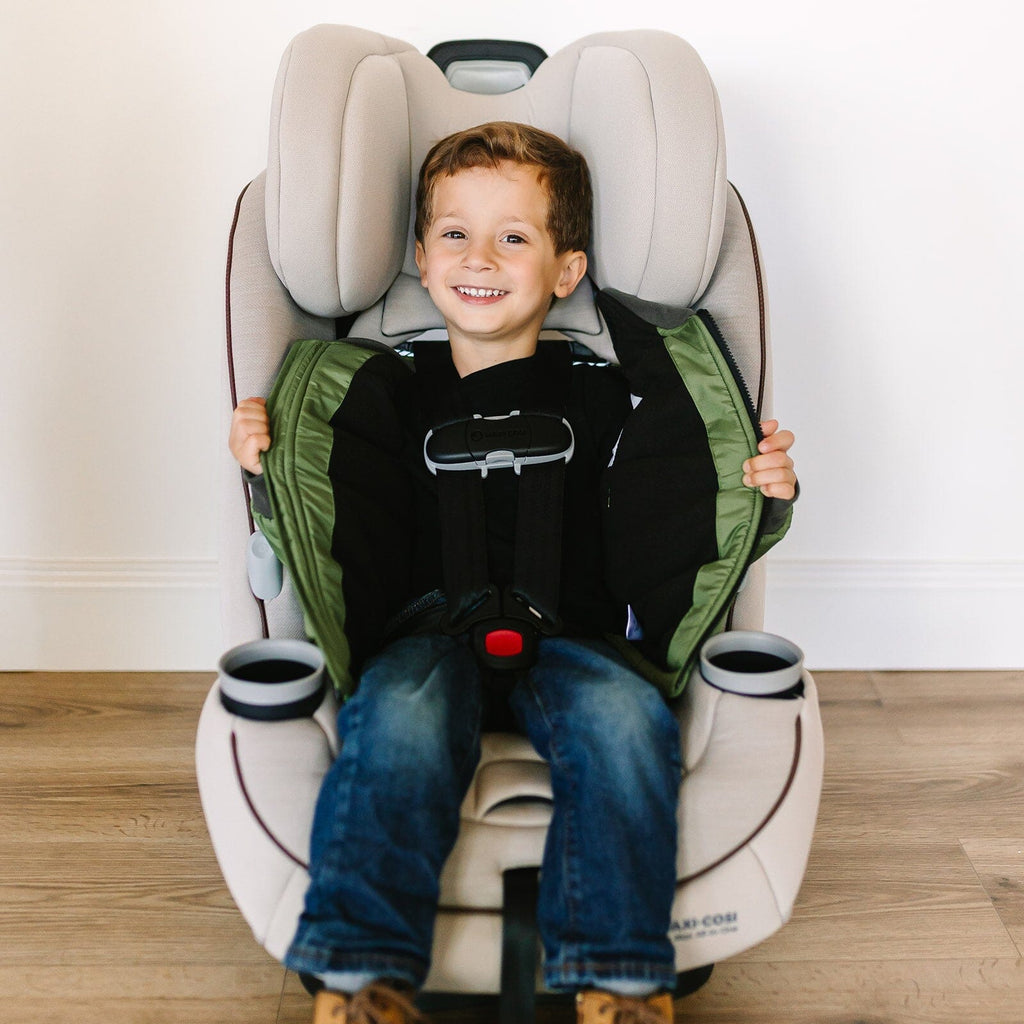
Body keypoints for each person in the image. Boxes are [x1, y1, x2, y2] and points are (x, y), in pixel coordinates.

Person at [229, 122, 797, 1024]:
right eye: (455, 234)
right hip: (427, 638)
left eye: (514, 237)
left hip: (578, 638)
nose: (479, 257)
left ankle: (618, 978)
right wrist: (268, 473)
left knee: (624, 722)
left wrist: (761, 489)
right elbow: (334, 514)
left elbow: (677, 504)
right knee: (400, 720)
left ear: (565, 272)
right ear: (420, 258)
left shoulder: (610, 395)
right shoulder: (379, 392)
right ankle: (360, 974)